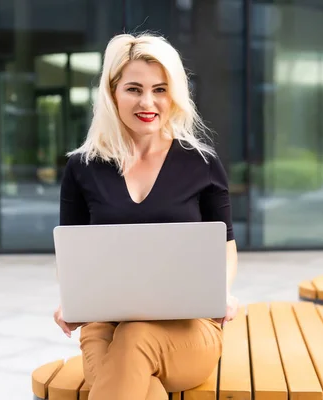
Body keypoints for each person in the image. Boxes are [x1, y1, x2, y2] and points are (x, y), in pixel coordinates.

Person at [51, 32, 239, 400]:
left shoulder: (201, 163)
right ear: (112, 92)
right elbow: (71, 253)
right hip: (105, 328)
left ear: (175, 94)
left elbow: (225, 246)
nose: (148, 102)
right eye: (134, 89)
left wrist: (223, 291)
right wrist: (71, 299)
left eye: (160, 89)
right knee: (136, 379)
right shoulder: (82, 167)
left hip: (187, 330)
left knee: (136, 340)